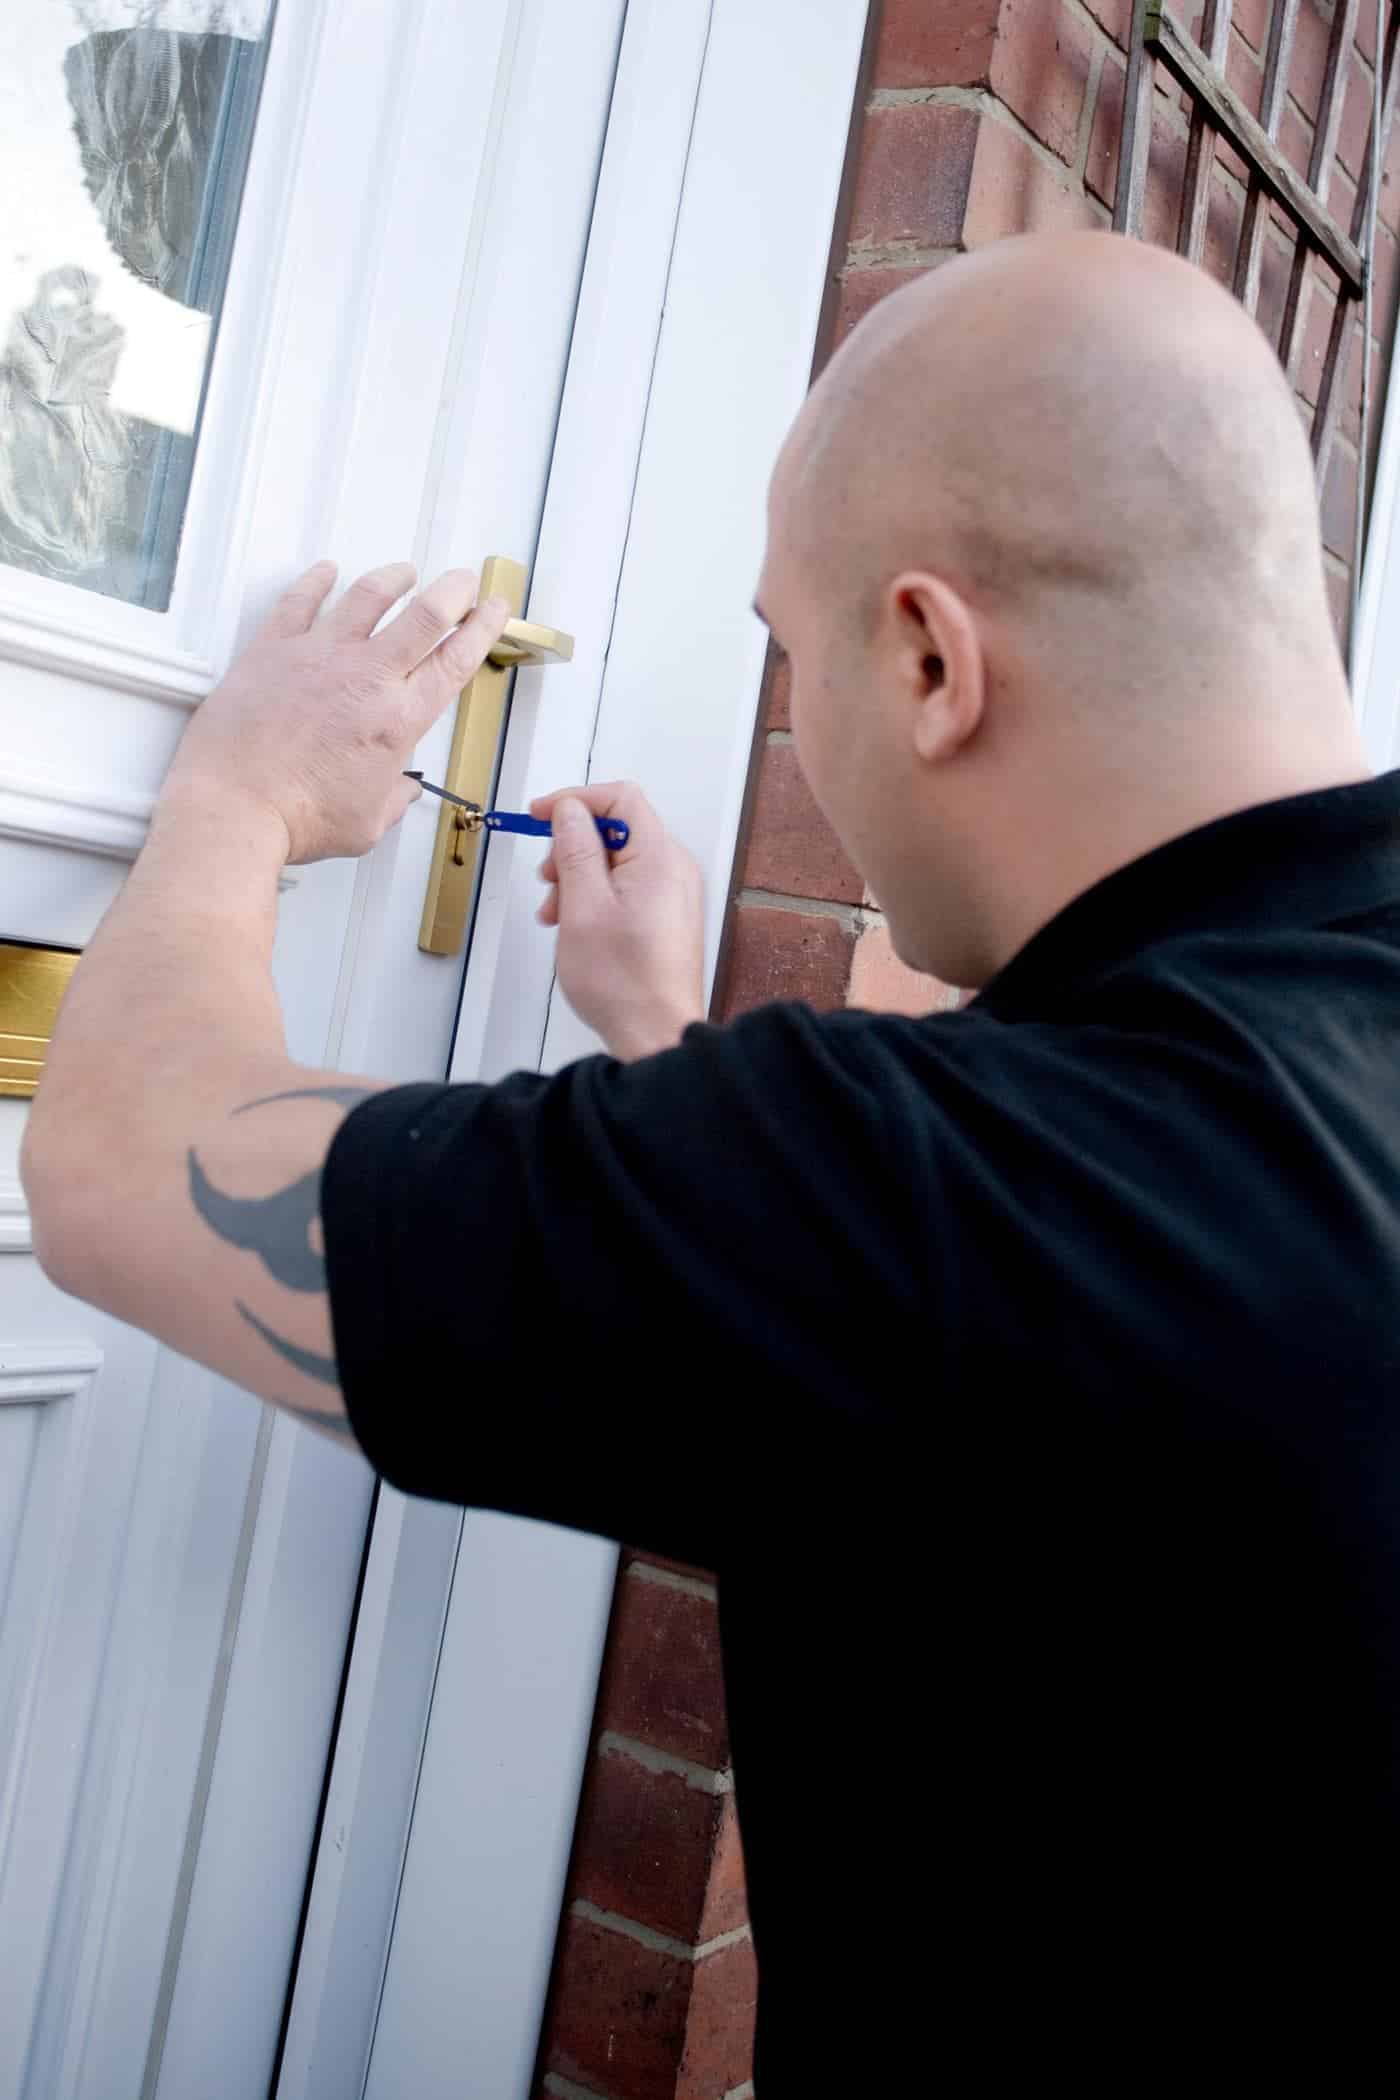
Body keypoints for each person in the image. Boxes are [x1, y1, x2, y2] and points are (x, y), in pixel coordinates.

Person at [22, 228, 1400, 2084]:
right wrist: (672, 1049)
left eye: (792, 655)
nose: (799, 721)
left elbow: (118, 1161)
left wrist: (242, 790)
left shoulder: (943, 1192)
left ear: (931, 658)